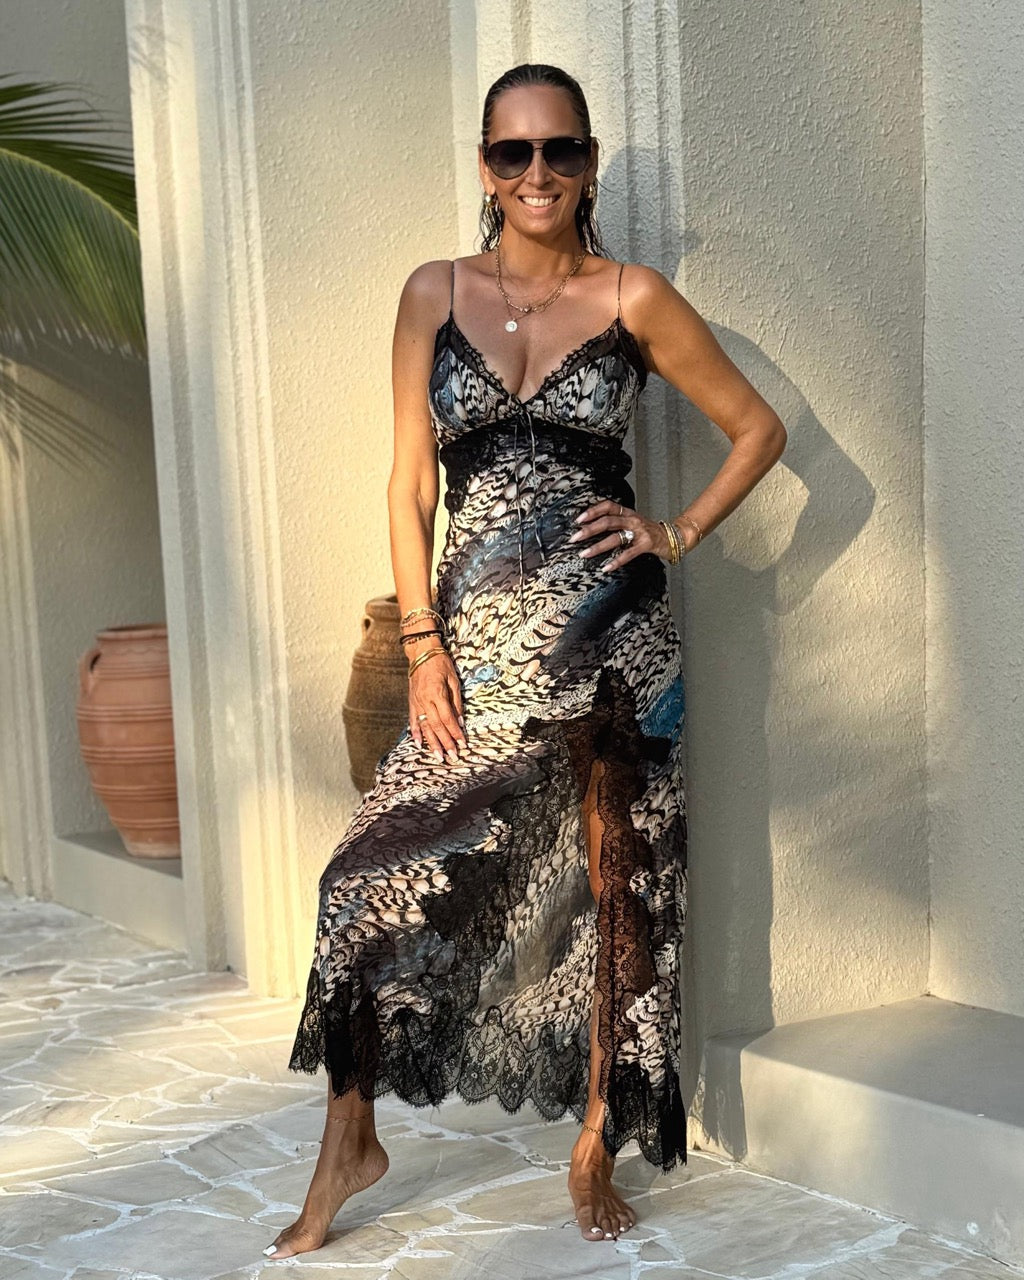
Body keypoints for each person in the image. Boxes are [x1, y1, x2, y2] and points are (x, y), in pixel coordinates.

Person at [266, 63, 786, 1259]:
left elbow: (755, 429)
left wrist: (675, 530)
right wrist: (422, 644)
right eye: (513, 154)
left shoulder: (632, 296)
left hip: (620, 654)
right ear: (486, 167)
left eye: (559, 153)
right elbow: (406, 487)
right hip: (482, 659)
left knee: (625, 897)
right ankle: (351, 1135)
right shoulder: (431, 291)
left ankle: (596, 1143)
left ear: (589, 164)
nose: (536, 175)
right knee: (364, 883)